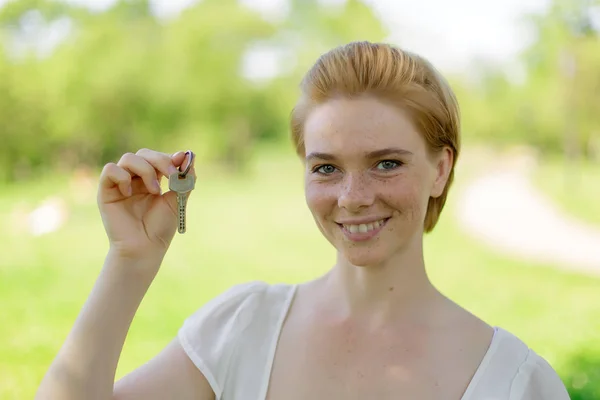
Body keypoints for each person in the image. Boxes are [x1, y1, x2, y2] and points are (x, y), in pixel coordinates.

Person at [36, 41, 570, 400]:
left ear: (441, 168)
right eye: (326, 167)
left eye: (387, 163)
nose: (353, 197)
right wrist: (129, 262)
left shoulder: (519, 382)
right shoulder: (243, 328)